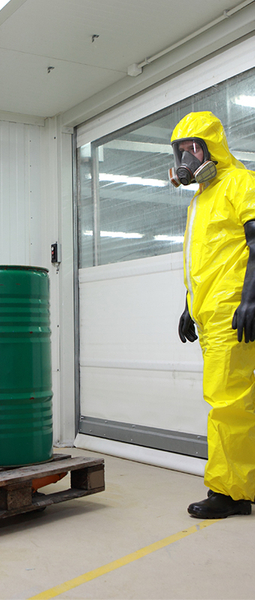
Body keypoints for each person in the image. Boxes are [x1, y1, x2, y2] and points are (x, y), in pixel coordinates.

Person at [170, 111, 255, 518]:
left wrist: (252, 299)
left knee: (227, 403)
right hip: (209, 312)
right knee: (231, 399)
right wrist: (189, 305)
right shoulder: (199, 200)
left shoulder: (240, 183)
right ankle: (239, 484)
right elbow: (199, 260)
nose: (186, 158)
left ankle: (230, 492)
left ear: (212, 147)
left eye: (193, 148)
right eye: (180, 150)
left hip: (232, 311)